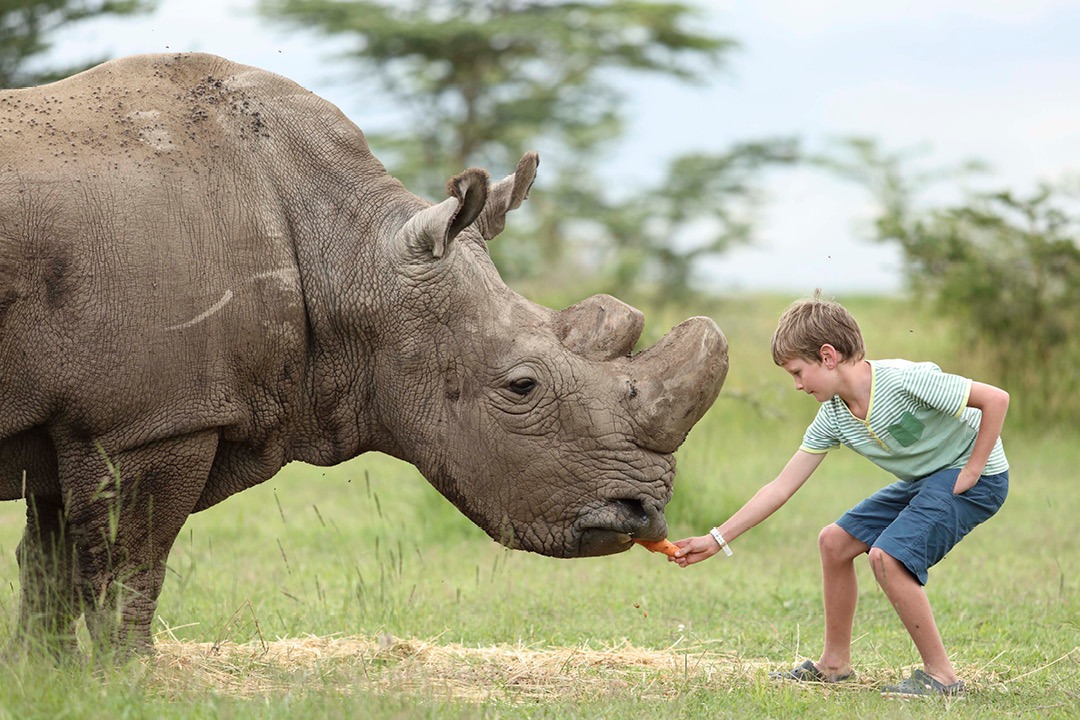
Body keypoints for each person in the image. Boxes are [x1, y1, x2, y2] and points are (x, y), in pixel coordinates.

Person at [672, 290, 1009, 699]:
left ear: (828, 357)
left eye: (798, 372)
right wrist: (716, 538)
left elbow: (995, 399)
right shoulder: (833, 416)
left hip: (975, 477)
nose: (796, 385)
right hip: (926, 479)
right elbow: (780, 486)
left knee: (888, 557)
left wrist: (973, 469)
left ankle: (942, 677)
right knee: (834, 541)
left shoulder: (903, 381)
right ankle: (834, 664)